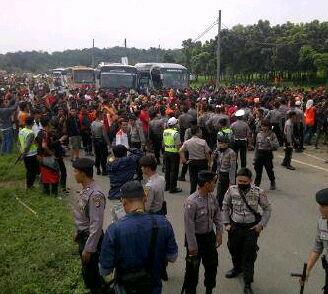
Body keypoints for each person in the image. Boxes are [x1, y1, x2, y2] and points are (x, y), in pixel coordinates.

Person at [100, 180, 178, 294]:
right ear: (145, 198)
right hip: (153, 286)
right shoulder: (163, 224)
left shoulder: (114, 229)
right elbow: (173, 257)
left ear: (124, 202)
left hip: (125, 288)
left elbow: (105, 270)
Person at [222, 168, 272, 294]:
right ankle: (236, 268)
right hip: (235, 226)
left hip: (251, 228)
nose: (242, 183)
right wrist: (226, 223)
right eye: (240, 181)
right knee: (233, 248)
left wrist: (261, 225)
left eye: (245, 181)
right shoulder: (231, 190)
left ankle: (248, 282)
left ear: (251, 180)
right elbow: (225, 206)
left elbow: (267, 209)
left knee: (249, 254)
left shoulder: (258, 192)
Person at [182, 170, 222, 294]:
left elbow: (217, 215)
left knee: (212, 266)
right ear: (206, 184)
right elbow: (189, 227)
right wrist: (192, 247)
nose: (215, 185)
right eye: (213, 183)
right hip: (195, 239)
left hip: (209, 237)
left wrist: (219, 232)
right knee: (192, 270)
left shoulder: (212, 198)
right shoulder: (191, 202)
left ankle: (209, 289)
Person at [73, 158, 105, 294]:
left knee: (91, 273)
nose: (73, 173)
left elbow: (96, 224)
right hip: (84, 235)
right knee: (89, 272)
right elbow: (84, 216)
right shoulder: (86, 190)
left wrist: (89, 248)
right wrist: (78, 231)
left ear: (83, 174)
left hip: (90, 239)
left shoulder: (95, 195)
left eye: (75, 171)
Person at [301, 188, 328, 293]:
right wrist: (307, 270)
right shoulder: (322, 222)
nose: (320, 209)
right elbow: (317, 248)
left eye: (323, 206)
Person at [107, 144, 143, 221]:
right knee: (123, 220)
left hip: (114, 193)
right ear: (125, 152)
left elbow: (111, 158)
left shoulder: (110, 163)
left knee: (116, 219)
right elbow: (139, 153)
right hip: (125, 194)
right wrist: (129, 148)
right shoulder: (129, 161)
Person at [179, 125, 211, 194]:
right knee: (202, 180)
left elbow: (180, 150)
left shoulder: (187, 142)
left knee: (193, 180)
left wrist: (184, 160)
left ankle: (192, 194)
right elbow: (207, 153)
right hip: (202, 163)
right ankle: (202, 194)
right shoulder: (203, 142)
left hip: (192, 162)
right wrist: (209, 162)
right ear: (198, 132)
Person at [212, 132, 237, 208]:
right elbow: (216, 163)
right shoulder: (218, 151)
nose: (220, 145)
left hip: (228, 174)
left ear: (227, 144)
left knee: (229, 194)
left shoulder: (231, 153)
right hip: (220, 174)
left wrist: (232, 181)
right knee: (219, 193)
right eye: (219, 143)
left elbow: (233, 168)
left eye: (222, 143)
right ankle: (218, 208)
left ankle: (229, 209)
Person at [254, 120, 279, 190]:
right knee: (258, 171)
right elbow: (256, 146)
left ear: (268, 127)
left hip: (268, 154)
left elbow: (277, 145)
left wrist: (270, 141)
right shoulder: (259, 134)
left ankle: (272, 181)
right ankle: (256, 185)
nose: (264, 128)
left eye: (266, 126)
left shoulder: (272, 134)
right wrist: (255, 157)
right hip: (259, 153)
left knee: (269, 170)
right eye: (263, 126)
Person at [18, 116, 39, 189]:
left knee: (29, 170)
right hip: (31, 155)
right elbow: (27, 146)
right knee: (32, 171)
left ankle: (29, 185)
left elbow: (19, 143)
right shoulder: (31, 133)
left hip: (26, 155)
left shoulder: (21, 130)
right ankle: (30, 186)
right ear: (32, 124)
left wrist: (21, 152)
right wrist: (23, 155)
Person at [163, 117, 182, 193]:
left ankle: (167, 186)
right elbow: (178, 146)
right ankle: (173, 188)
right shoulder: (176, 133)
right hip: (174, 154)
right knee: (174, 171)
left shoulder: (165, 131)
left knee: (167, 170)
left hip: (166, 152)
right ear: (175, 125)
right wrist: (181, 156)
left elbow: (163, 143)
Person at [91, 110, 110, 176]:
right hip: (102, 142)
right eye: (102, 115)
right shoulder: (101, 125)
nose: (103, 116)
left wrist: (93, 143)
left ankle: (98, 169)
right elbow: (105, 135)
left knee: (97, 156)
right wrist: (109, 144)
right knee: (103, 156)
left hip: (95, 141)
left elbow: (92, 134)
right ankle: (104, 170)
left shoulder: (92, 123)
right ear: (99, 115)